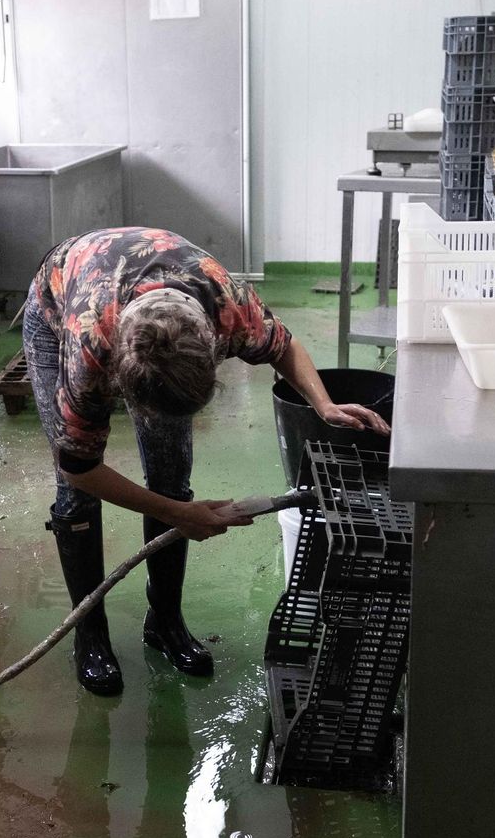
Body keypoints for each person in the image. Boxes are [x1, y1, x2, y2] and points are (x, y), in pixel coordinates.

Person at [23, 227, 390, 696]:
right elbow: (78, 465)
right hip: (59, 296)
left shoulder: (224, 304)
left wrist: (324, 404)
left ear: (214, 349)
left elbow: (285, 347)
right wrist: (178, 516)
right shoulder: (89, 346)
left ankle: (165, 620)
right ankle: (90, 634)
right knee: (73, 497)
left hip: (156, 298)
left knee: (172, 476)